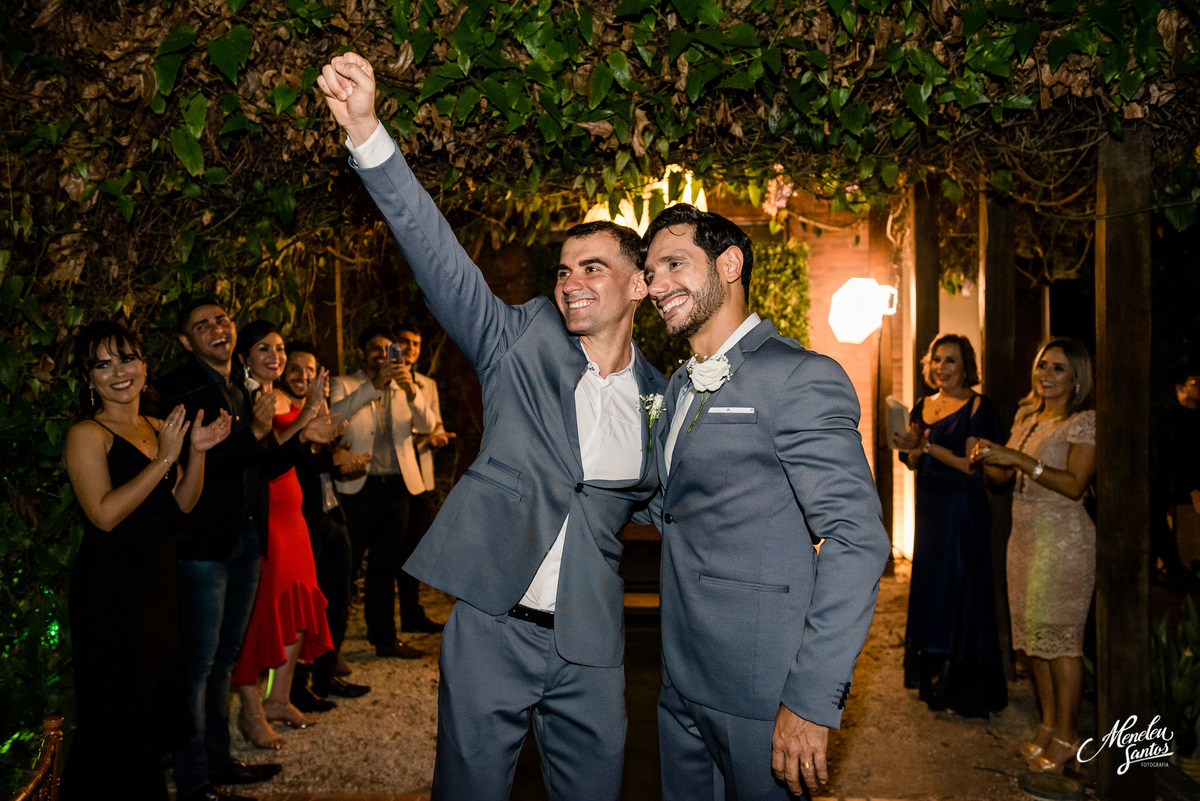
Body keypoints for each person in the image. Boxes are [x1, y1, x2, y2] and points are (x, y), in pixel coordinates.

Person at [318, 52, 667, 801]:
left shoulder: (661, 400)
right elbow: (438, 255)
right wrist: (369, 134)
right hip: (491, 627)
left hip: (591, 644)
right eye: (564, 269)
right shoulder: (517, 340)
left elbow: (683, 505)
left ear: (638, 284)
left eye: (594, 268)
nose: (571, 281)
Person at [642, 204, 891, 800]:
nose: (655, 285)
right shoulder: (678, 384)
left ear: (729, 264)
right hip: (680, 676)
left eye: (674, 264)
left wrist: (810, 699)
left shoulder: (799, 377)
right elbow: (673, 509)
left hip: (763, 688)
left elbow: (857, 538)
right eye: (649, 273)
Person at [157, 300, 330, 800]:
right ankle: (194, 781)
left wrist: (300, 424)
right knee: (201, 664)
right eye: (202, 325)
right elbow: (199, 470)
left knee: (227, 659)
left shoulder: (238, 385)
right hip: (205, 545)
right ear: (187, 342)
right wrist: (257, 428)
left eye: (222, 319)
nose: (217, 329)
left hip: (248, 540)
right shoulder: (178, 389)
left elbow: (267, 464)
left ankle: (217, 762)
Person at [61, 321, 231, 800]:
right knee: (117, 718)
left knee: (152, 713)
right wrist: (162, 460)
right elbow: (104, 515)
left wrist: (193, 454)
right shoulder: (87, 435)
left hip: (157, 587)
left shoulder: (158, 428)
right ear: (88, 379)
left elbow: (181, 503)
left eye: (127, 358)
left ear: (145, 363)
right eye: (103, 363)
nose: (120, 371)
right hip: (110, 594)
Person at [971, 338, 1096, 773]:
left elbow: (1076, 484)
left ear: (1077, 377)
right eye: (1042, 364)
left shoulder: (1083, 423)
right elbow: (1003, 477)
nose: (1046, 373)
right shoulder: (1028, 416)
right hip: (1024, 537)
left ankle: (1068, 735)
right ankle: (1046, 725)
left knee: (1062, 644)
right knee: (1032, 639)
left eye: (1059, 368)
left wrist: (1020, 459)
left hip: (1063, 538)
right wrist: (987, 455)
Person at [230, 321, 337, 749]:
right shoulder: (246, 399)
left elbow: (318, 436)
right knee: (262, 612)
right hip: (265, 510)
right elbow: (267, 450)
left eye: (278, 348)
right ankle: (250, 711)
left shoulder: (280, 397)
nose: (274, 355)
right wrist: (308, 416)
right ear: (244, 358)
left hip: (295, 513)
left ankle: (279, 696)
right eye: (263, 349)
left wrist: (315, 406)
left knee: (298, 601)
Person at [893, 334, 1007, 717]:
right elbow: (912, 461)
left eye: (951, 361)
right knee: (930, 589)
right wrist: (909, 447)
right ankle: (932, 674)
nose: (942, 368)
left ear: (966, 366)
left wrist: (926, 447)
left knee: (960, 590)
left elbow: (970, 464)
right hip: (930, 512)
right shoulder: (922, 404)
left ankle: (960, 682)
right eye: (937, 359)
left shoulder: (977, 406)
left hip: (962, 511)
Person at [329, 325, 441, 657]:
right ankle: (328, 650)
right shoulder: (344, 384)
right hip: (357, 490)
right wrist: (374, 385)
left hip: (398, 490)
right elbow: (335, 420)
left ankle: (385, 639)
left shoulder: (407, 388)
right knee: (345, 570)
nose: (384, 355)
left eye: (390, 350)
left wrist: (410, 391)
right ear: (362, 352)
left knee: (385, 567)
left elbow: (427, 426)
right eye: (376, 349)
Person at [280, 342, 371, 702]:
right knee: (308, 606)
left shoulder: (320, 409)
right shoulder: (280, 410)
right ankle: (296, 686)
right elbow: (283, 462)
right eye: (295, 370)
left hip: (333, 511)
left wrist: (340, 459)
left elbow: (322, 461)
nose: (303, 377)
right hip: (302, 520)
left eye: (310, 370)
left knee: (338, 596)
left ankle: (325, 675)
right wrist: (333, 460)